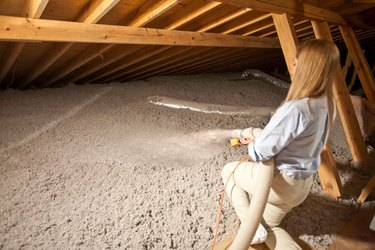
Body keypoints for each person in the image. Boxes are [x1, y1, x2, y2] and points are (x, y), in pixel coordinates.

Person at [221, 39, 340, 250]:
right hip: (301, 186)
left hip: (280, 182)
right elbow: (297, 140)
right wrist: (265, 136)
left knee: (228, 171)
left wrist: (255, 140)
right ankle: (260, 227)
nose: (293, 65)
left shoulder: (296, 108)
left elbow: (260, 153)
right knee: (271, 227)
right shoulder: (327, 103)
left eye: (297, 62)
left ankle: (250, 227)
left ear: (308, 67)